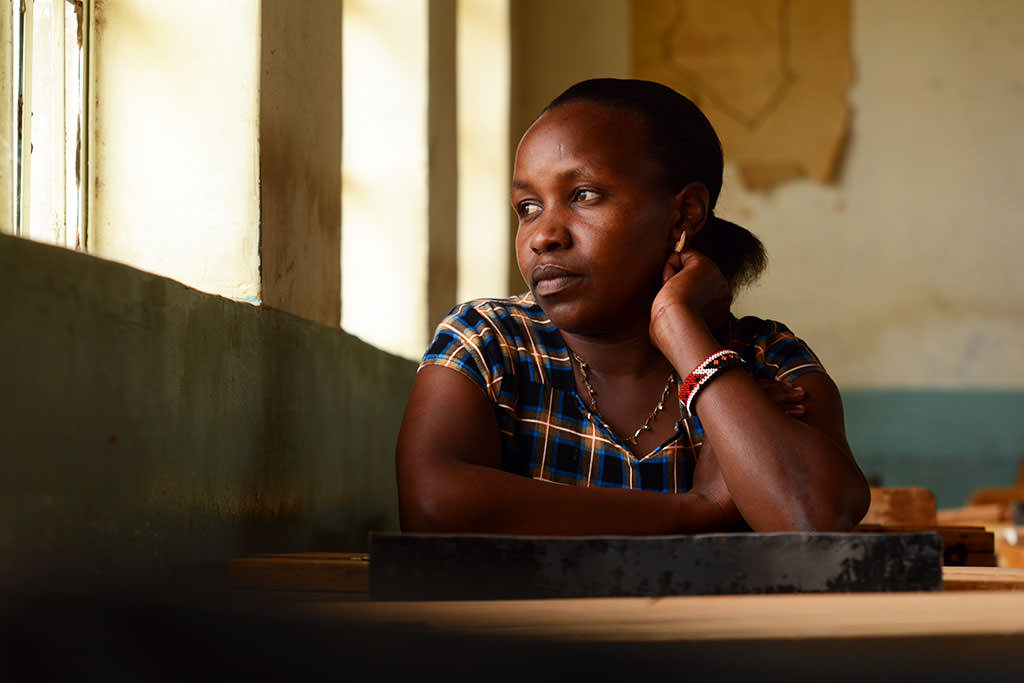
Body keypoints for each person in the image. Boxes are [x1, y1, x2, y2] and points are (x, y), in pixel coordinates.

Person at [396, 78, 869, 534]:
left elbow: (813, 519)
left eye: (584, 196)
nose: (543, 236)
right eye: (528, 207)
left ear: (685, 213)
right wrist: (697, 511)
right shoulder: (489, 343)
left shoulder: (768, 361)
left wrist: (682, 331)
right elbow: (434, 508)